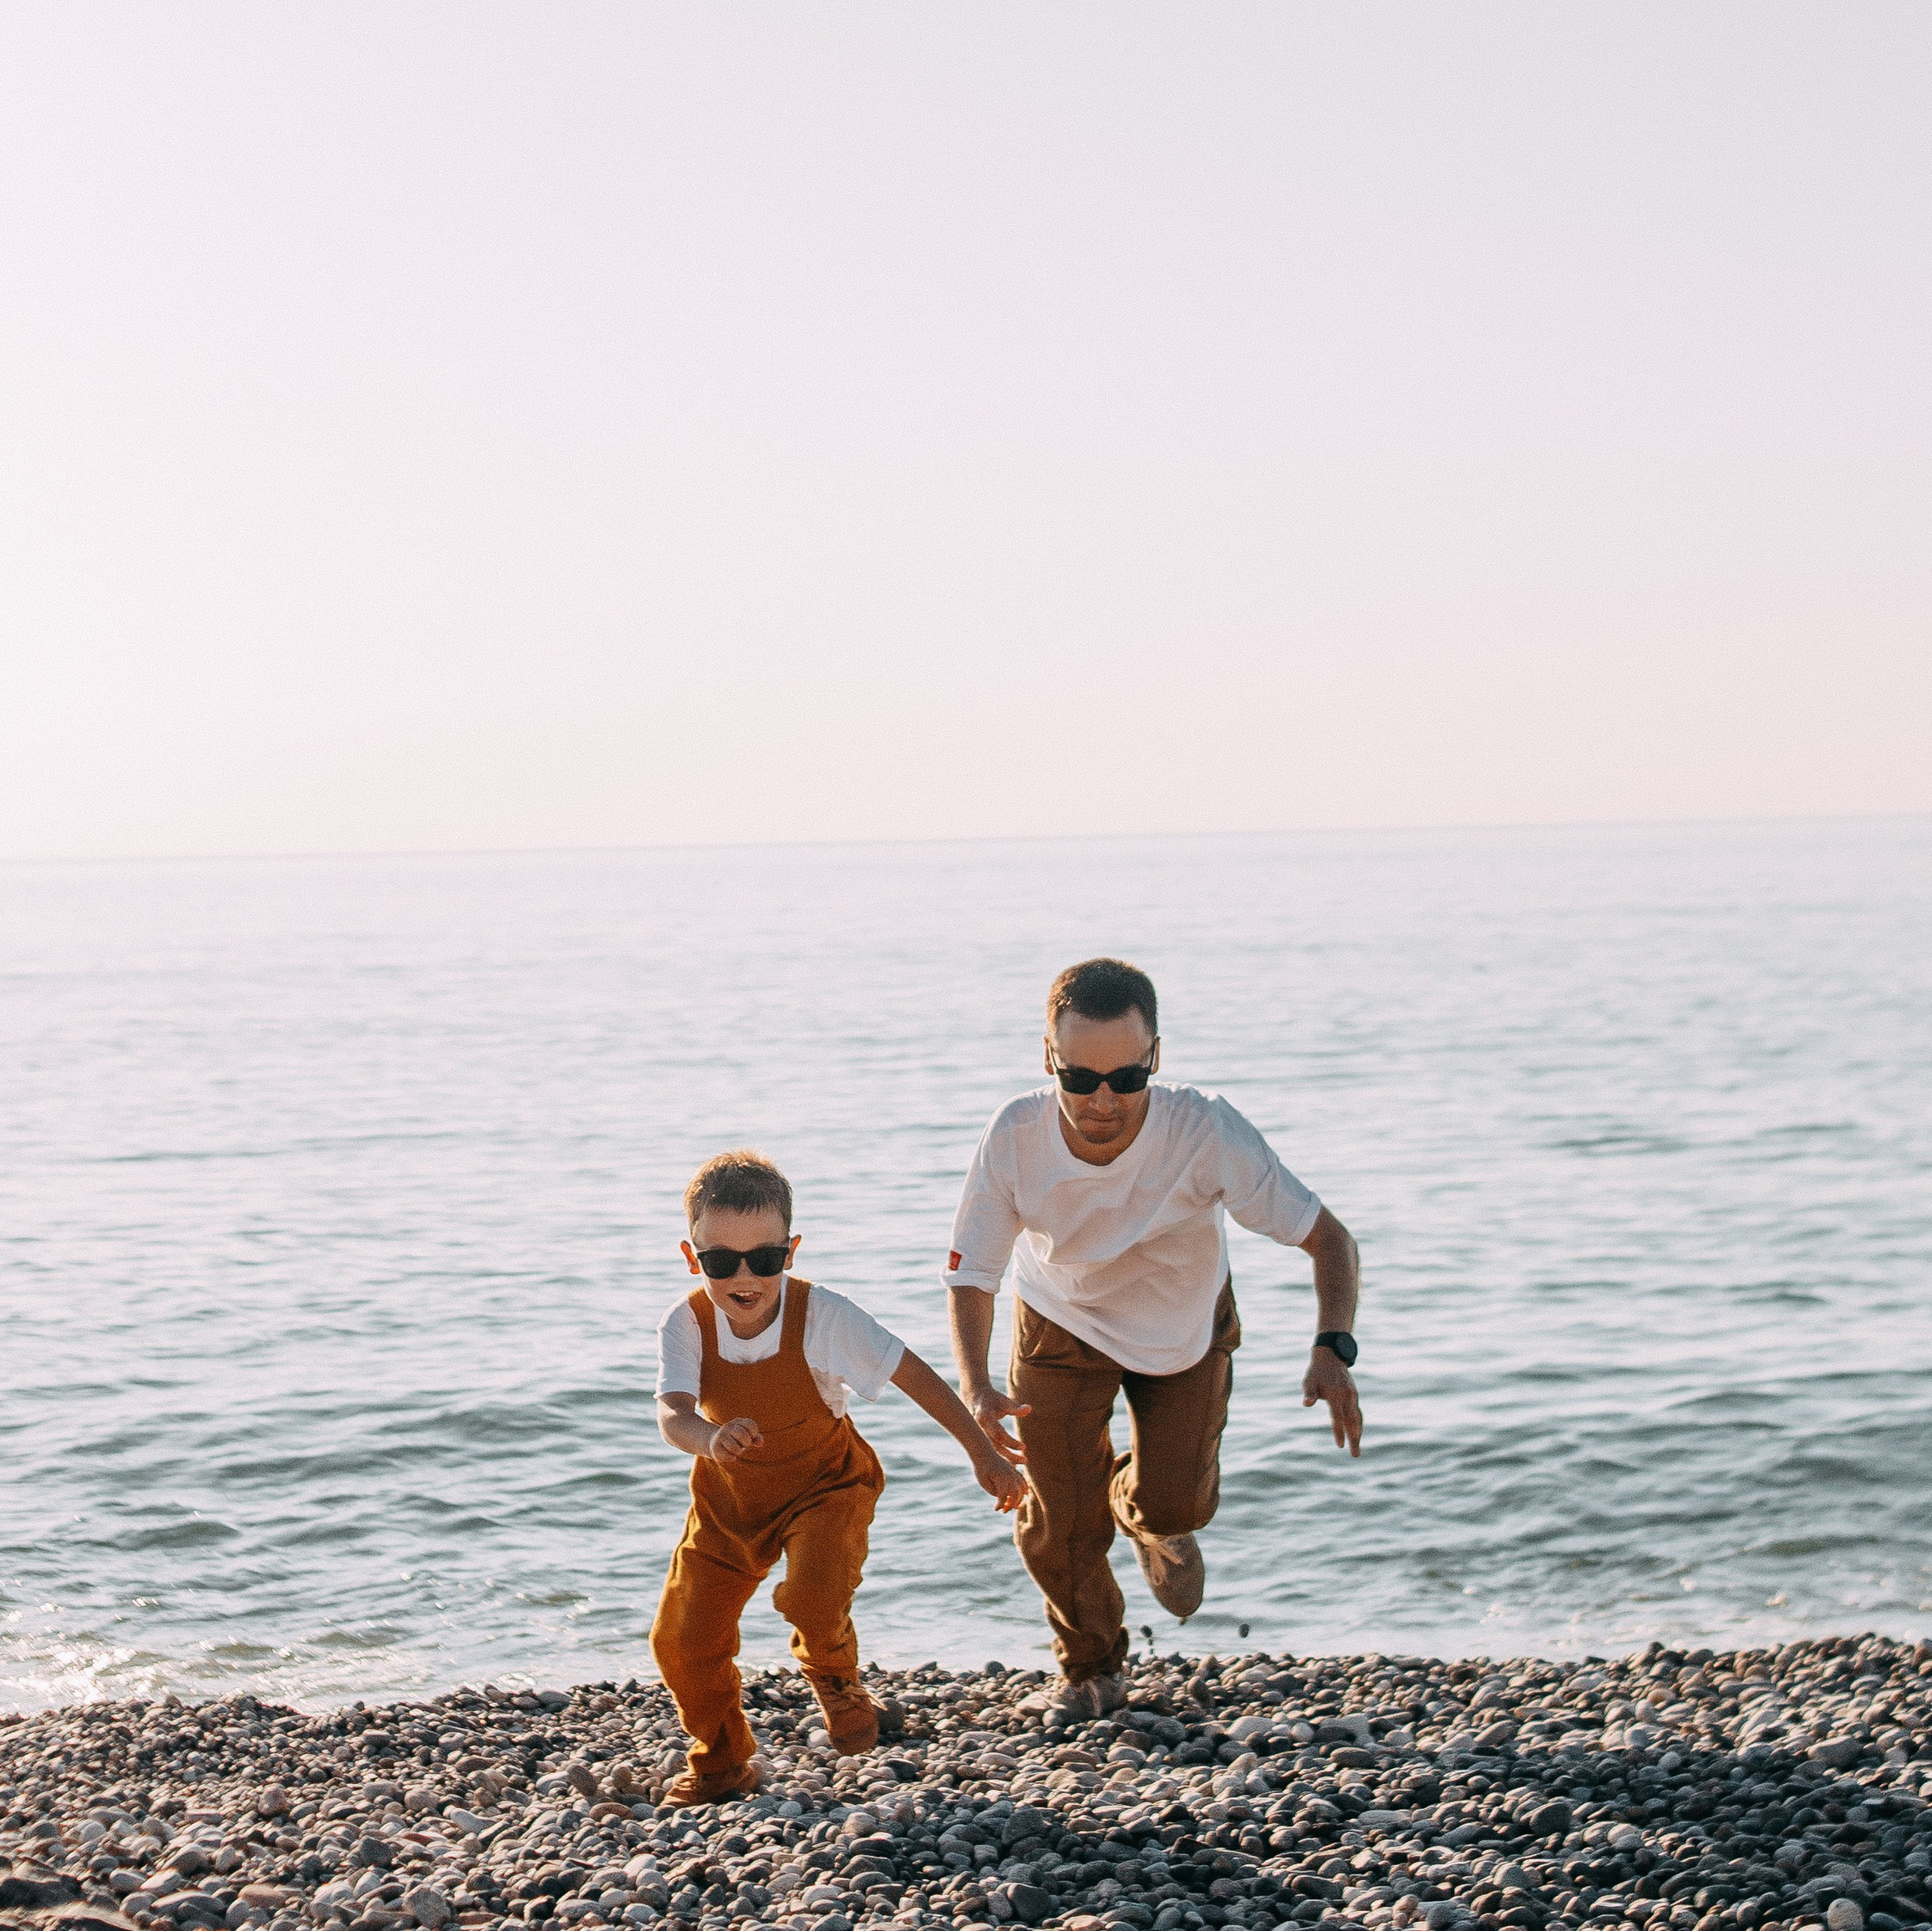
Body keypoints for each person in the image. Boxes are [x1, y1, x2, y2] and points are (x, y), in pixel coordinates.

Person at [945, 957, 1364, 1720]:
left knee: (1176, 1505)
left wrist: (1332, 1345)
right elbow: (972, 1275)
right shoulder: (1014, 1136)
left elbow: (1329, 1239)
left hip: (1184, 1326)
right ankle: (1092, 1668)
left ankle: (1142, 1514)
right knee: (1057, 1522)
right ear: (1049, 1058)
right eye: (1080, 1078)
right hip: (1060, 1320)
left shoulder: (1205, 1130)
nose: (1103, 1100)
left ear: (1156, 1059)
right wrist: (975, 1385)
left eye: (1126, 1078)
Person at [652, 1149, 1025, 1807]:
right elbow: (672, 1413)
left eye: (765, 1258)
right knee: (681, 1639)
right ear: (693, 1257)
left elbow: (914, 1376)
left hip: (827, 1486)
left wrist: (981, 1452)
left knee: (813, 1597)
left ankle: (835, 1675)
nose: (745, 1276)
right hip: (728, 1501)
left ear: (791, 1251)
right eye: (722, 1261)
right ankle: (723, 1760)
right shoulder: (687, 1323)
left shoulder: (823, 1316)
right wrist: (709, 1437)